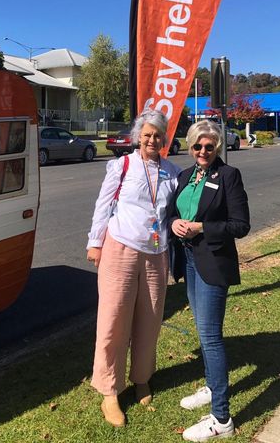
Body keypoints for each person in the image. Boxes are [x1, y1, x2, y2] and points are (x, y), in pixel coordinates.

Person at [86, 109, 181, 427]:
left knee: (150, 319)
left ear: (164, 138)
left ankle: (142, 377)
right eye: (147, 134)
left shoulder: (172, 171)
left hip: (157, 252)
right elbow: (104, 204)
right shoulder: (122, 166)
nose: (152, 139)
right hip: (120, 248)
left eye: (158, 135)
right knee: (113, 319)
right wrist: (95, 242)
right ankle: (109, 390)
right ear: (138, 137)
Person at [167, 120, 250, 442]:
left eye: (209, 146)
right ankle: (212, 386)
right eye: (197, 146)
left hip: (214, 264)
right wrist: (175, 223)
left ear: (217, 147)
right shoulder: (185, 176)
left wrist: (202, 228)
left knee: (211, 336)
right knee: (203, 332)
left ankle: (221, 418)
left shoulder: (228, 176)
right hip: (188, 261)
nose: (203, 151)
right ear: (190, 147)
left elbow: (241, 225)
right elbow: (173, 212)